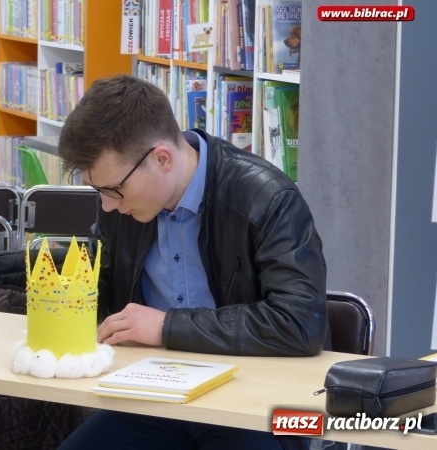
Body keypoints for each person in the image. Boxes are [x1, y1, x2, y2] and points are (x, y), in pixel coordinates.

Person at [55, 75, 328, 450]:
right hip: (152, 396)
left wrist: (168, 327)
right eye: (98, 191)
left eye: (113, 190)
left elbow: (299, 323)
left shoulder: (268, 198)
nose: (107, 205)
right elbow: (88, 279)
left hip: (249, 405)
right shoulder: (124, 203)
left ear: (162, 158)